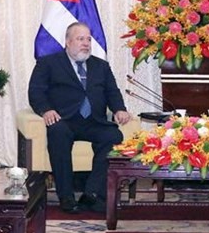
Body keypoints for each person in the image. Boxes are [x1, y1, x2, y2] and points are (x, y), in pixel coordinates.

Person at [28, 22, 132, 214]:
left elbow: (112, 92)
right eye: (80, 39)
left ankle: (91, 193)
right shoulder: (49, 63)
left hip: (94, 121)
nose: (86, 43)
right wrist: (46, 110)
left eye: (88, 39)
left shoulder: (101, 66)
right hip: (64, 120)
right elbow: (36, 92)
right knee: (57, 133)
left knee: (113, 136)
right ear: (67, 42)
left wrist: (119, 109)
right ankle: (66, 196)